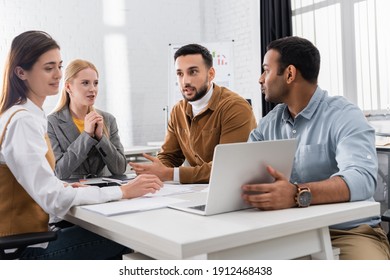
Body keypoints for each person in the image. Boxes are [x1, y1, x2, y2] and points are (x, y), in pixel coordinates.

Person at [0, 30, 162, 260]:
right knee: (130, 234)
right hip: (23, 251)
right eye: (48, 68)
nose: (57, 74)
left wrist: (65, 188)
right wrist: (123, 191)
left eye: (59, 65)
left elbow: (43, 183)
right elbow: (53, 200)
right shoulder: (24, 120)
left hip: (28, 239)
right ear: (21, 72)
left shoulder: (21, 114)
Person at [241, 36, 390, 260]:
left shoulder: (344, 115)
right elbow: (242, 173)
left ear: (290, 74)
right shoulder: (268, 124)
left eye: (266, 70)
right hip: (287, 231)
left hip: (347, 231)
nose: (260, 79)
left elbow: (362, 179)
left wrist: (295, 194)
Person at [130, 43, 257, 184]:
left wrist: (169, 173)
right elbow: (169, 156)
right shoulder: (178, 110)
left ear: (211, 74)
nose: (185, 81)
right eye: (180, 74)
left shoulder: (235, 107)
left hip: (232, 190)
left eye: (193, 72)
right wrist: (153, 172)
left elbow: (227, 167)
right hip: (197, 191)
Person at [47, 59, 126, 180]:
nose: (92, 89)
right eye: (85, 83)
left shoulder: (108, 119)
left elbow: (120, 169)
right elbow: (59, 172)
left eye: (95, 83)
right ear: (68, 87)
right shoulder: (52, 123)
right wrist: (87, 135)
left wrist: (101, 138)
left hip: (106, 192)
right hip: (74, 193)